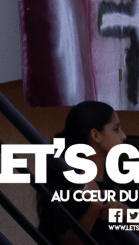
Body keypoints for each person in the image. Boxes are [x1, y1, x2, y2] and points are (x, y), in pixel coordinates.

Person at [36, 100, 129, 245]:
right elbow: (66, 243)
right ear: (96, 135)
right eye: (116, 129)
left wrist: (127, 213)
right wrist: (95, 206)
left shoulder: (120, 173)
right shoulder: (68, 180)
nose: (123, 136)